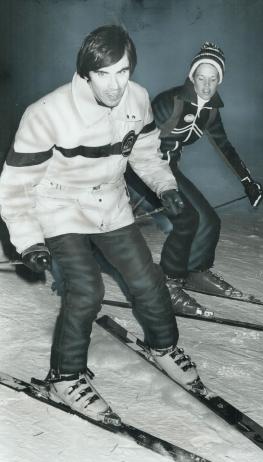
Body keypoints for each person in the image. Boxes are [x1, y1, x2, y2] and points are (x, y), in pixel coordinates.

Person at [0, 25, 203, 423]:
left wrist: (165, 187)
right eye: (103, 74)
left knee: (147, 280)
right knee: (86, 290)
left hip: (110, 204)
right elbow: (15, 186)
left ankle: (163, 346)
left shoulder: (138, 99)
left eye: (122, 71)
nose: (114, 85)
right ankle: (66, 375)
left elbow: (145, 152)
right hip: (59, 207)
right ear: (86, 72)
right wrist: (28, 241)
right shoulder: (46, 113)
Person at [123, 41, 263, 312]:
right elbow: (136, 137)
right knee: (188, 219)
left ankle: (196, 271)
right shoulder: (170, 101)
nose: (207, 86)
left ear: (219, 80)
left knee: (209, 220)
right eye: (201, 78)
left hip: (169, 170)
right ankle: (168, 284)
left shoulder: (210, 111)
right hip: (141, 170)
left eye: (213, 79)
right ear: (192, 76)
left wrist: (247, 181)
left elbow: (226, 147)